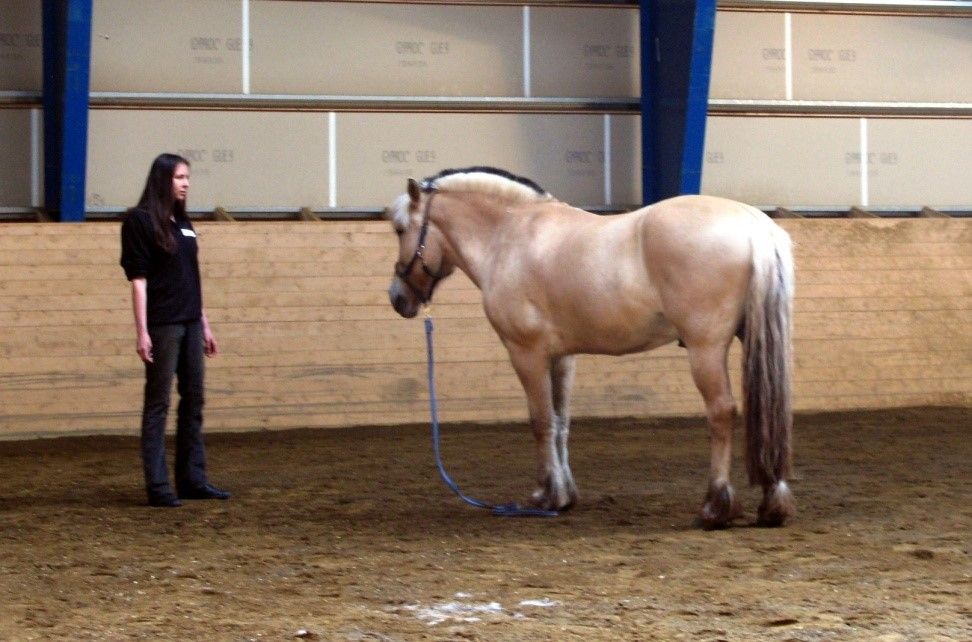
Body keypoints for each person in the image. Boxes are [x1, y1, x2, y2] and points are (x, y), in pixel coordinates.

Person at [119, 153, 230, 507]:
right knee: (158, 403)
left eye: (187, 177)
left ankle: (192, 479)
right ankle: (158, 485)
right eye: (180, 177)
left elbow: (190, 277)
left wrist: (204, 323)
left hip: (191, 321)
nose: (186, 183)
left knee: (194, 398)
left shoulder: (182, 221)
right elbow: (138, 280)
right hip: (163, 324)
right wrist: (142, 331)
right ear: (163, 179)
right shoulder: (139, 221)